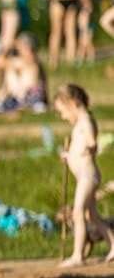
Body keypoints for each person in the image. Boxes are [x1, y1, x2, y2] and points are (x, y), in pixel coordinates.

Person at [53, 84, 114, 267]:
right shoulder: (79, 123)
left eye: (63, 111)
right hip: (84, 176)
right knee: (92, 216)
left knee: (78, 212)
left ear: (73, 103)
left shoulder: (86, 120)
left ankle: (77, 255)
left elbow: (91, 140)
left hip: (88, 176)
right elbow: (77, 149)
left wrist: (92, 145)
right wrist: (68, 155)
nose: (63, 116)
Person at [0, 33, 47, 114]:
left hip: (31, 97)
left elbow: (0, 62)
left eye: (21, 46)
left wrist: (7, 49)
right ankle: (0, 102)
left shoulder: (31, 60)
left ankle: (1, 102)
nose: (19, 49)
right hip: (22, 96)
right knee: (10, 71)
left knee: (9, 70)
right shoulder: (26, 61)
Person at [77, 0, 96, 64]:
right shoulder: (84, 6)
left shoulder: (88, 6)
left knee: (88, 44)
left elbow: (87, 18)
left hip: (87, 28)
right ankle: (80, 60)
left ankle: (90, 59)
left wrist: (85, 29)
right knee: (82, 45)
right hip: (83, 28)